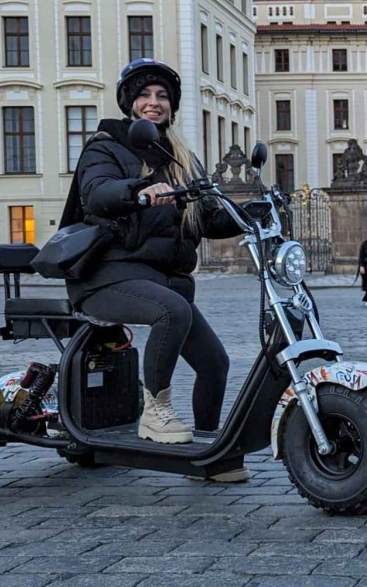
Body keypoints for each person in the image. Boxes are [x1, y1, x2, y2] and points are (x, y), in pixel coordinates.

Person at [66, 59, 245, 478]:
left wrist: (253, 212)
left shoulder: (179, 155)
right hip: (108, 276)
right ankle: (155, 411)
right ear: (130, 103)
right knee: (172, 311)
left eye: (162, 96)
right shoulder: (106, 146)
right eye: (145, 95)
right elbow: (97, 194)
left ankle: (208, 454)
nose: (154, 102)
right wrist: (139, 191)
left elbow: (207, 216)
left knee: (215, 363)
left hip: (165, 281)